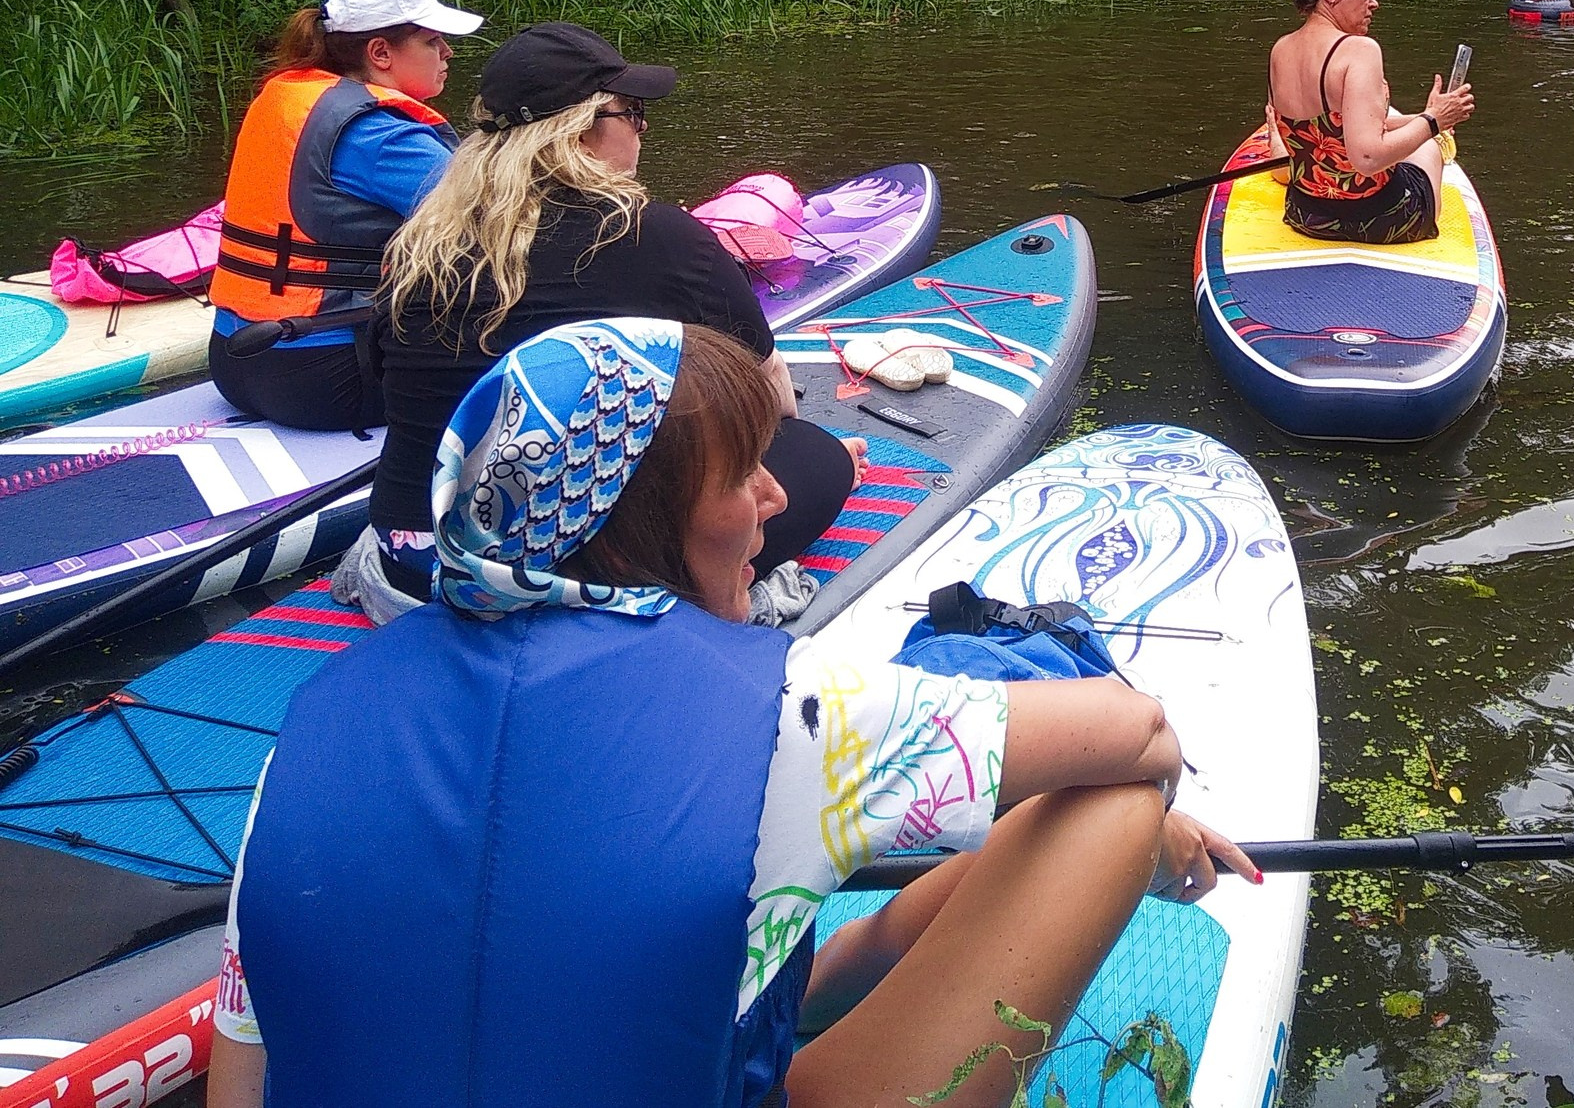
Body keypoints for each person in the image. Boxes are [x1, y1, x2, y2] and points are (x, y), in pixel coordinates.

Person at [206, 319, 1256, 1108]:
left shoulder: (312, 725)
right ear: (633, 523)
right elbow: (1141, 731)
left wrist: (969, 865)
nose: (769, 498)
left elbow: (241, 1082)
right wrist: (1129, 828)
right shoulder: (792, 708)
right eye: (737, 474)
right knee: (1114, 802)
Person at [343, 21, 856, 626]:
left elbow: (389, 390)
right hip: (560, 595)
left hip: (409, 569)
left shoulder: (415, 248)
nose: (642, 129)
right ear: (578, 131)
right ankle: (723, 606)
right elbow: (770, 404)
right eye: (632, 112)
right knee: (814, 456)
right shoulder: (662, 237)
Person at [208, 0, 482, 432]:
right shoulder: (384, 135)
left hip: (234, 361)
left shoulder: (285, 98)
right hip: (329, 380)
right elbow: (496, 227)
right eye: (433, 41)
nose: (448, 53)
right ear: (380, 53)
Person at [1266, 0, 1473, 245]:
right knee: (1427, 147)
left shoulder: (1280, 50)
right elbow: (1365, 157)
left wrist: (1429, 114)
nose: (1374, 2)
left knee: (1414, 131)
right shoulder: (1360, 50)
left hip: (1307, 216)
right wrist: (1432, 125)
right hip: (1379, 221)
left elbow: (1338, 130)